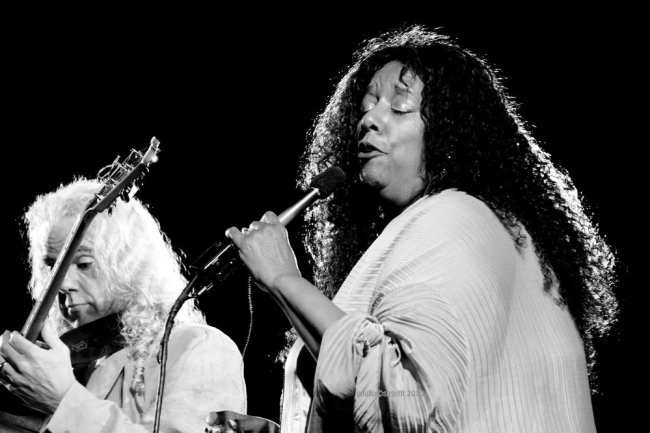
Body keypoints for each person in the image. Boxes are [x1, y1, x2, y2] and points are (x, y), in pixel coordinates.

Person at [207, 26, 620, 433]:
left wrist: (283, 278)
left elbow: (403, 397)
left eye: (400, 106)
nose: (369, 119)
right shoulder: (495, 230)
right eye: (367, 106)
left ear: (451, 128)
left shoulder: (453, 218)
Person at [0, 178, 246, 432]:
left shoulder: (200, 347)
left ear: (129, 265)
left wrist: (63, 401)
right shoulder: (67, 362)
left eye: (83, 264)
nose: (62, 283)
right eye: (53, 266)